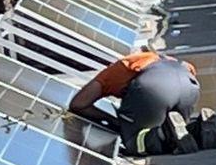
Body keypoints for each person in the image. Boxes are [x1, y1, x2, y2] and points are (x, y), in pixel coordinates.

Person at [67, 50, 201, 155]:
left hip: (155, 86)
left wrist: (111, 119)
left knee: (135, 142)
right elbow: (190, 70)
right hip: (189, 83)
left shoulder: (117, 69)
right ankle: (199, 130)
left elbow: (78, 104)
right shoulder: (167, 59)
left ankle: (164, 134)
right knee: (179, 130)